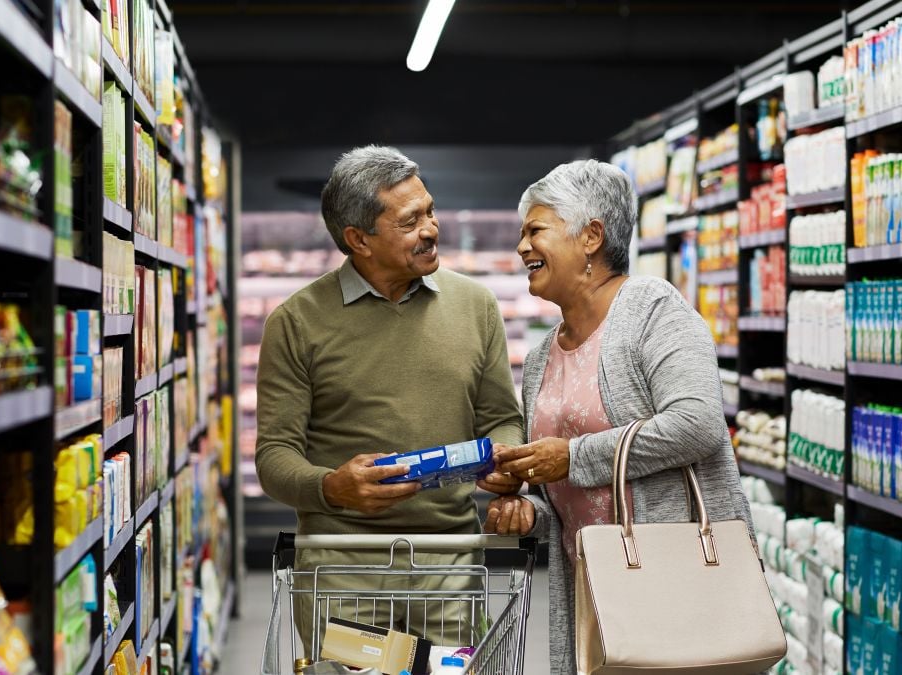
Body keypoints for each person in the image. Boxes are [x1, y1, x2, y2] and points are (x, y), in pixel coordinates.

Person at [478, 159, 755, 674]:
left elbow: (697, 424)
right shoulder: (541, 358)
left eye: (535, 230)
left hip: (674, 581)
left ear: (591, 237)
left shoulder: (652, 309)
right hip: (594, 588)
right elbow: (567, 499)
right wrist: (528, 511)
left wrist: (572, 457)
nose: (521, 247)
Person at [255, 145, 524, 648]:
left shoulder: (475, 306)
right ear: (359, 239)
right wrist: (332, 487)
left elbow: (503, 420)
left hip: (451, 569)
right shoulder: (296, 322)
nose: (431, 229)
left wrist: (505, 463)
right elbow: (274, 457)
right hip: (344, 572)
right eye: (409, 221)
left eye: (430, 211)